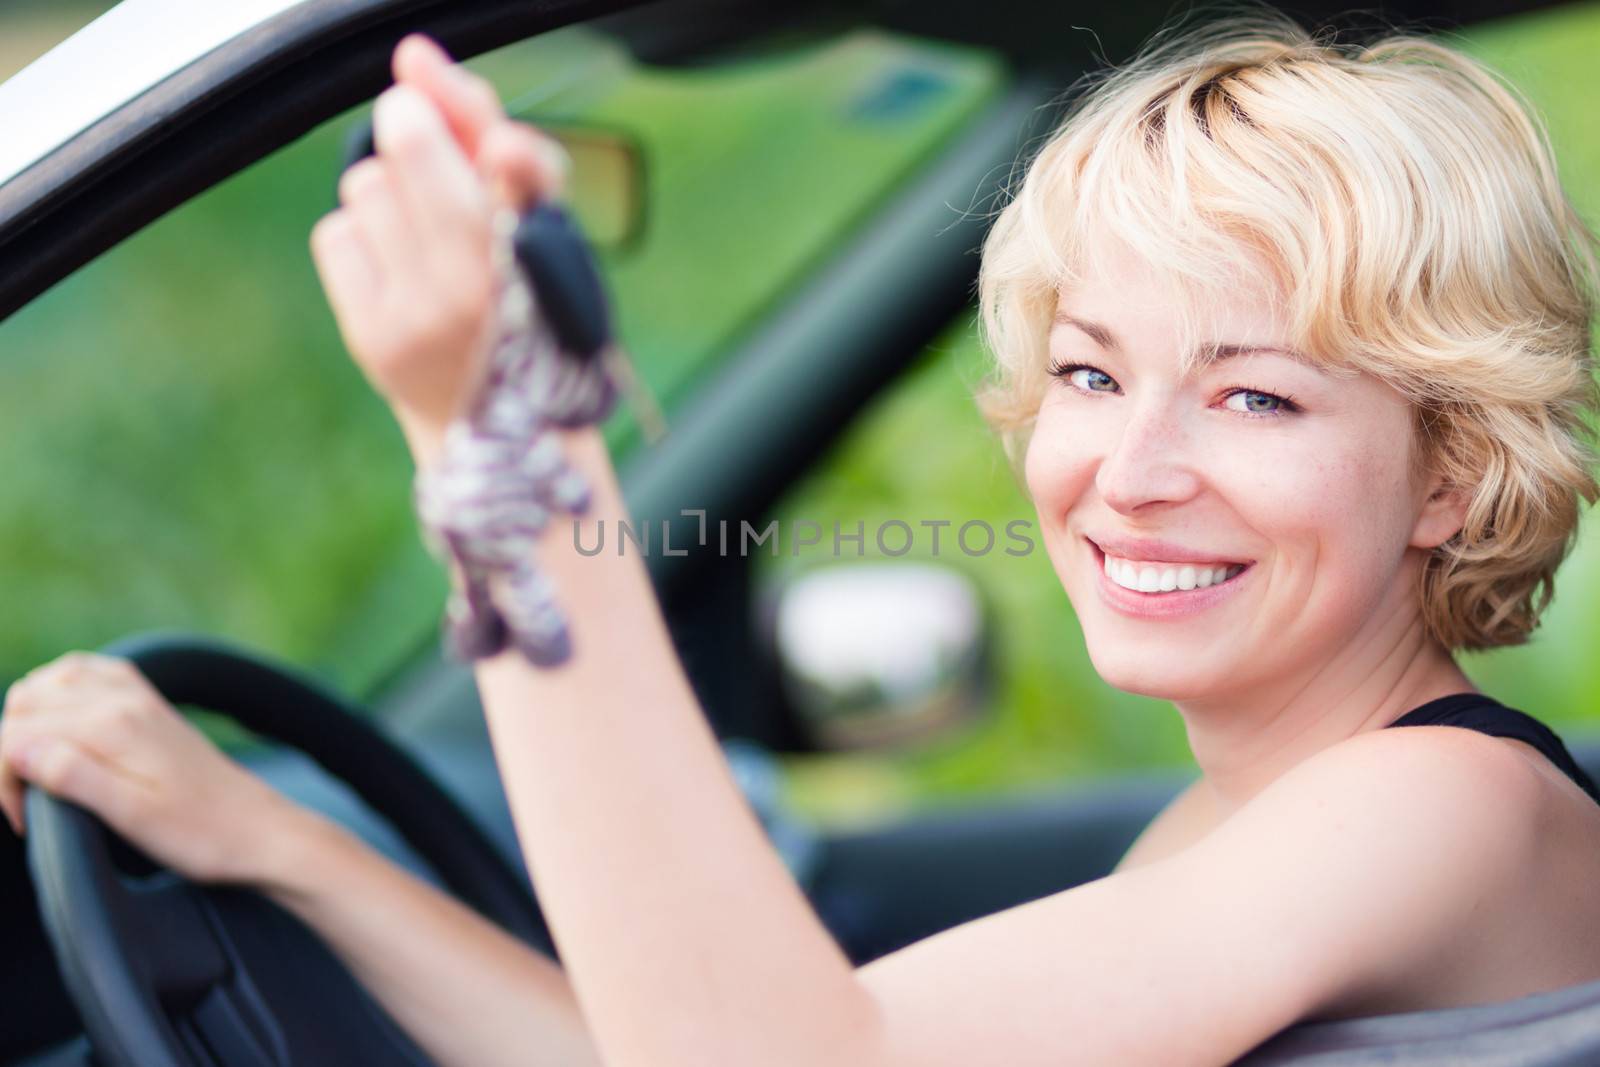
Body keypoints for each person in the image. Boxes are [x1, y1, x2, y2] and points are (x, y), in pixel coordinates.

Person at [5, 6, 1600, 1064]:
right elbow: (689, 1040)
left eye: (1254, 399)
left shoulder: (1439, 809)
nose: (1132, 470)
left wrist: (506, 442)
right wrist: (276, 846)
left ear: (1451, 473)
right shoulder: (1251, 818)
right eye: (1091, 373)